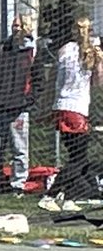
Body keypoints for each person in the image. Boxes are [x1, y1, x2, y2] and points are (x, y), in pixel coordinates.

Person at [0, 13, 53, 194]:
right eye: (14, 25)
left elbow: (38, 83)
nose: (15, 28)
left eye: (19, 26)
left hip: (19, 110)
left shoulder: (33, 53)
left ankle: (18, 184)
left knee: (19, 149)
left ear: (27, 27)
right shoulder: (0, 49)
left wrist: (26, 101)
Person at [40, 16, 103, 212]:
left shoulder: (65, 49)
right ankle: (50, 195)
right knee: (78, 158)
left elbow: (55, 80)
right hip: (76, 108)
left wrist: (47, 106)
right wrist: (100, 62)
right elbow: (99, 82)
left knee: (79, 156)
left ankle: (72, 196)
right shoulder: (91, 53)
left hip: (62, 105)